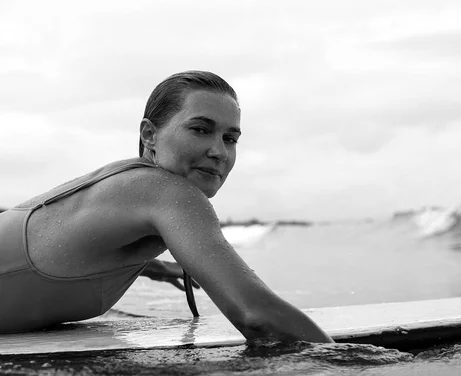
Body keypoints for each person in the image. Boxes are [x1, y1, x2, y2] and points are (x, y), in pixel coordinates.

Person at [0, 71, 333, 343]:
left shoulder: (131, 186)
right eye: (201, 129)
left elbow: (61, 240)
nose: (219, 151)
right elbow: (256, 316)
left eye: (230, 138)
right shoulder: (167, 193)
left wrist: (152, 266)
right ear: (149, 135)